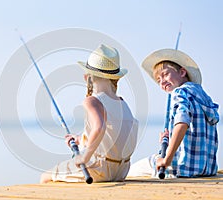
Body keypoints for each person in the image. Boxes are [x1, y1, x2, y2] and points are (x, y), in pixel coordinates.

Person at [40, 44, 138, 183]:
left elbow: (100, 127)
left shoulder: (92, 101)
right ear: (115, 78)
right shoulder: (123, 103)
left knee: (46, 177)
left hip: (99, 169)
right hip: (121, 171)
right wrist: (81, 140)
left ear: (88, 77)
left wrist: (84, 157)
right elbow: (112, 135)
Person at [129, 48, 219, 178]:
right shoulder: (205, 98)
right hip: (206, 169)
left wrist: (167, 160)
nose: (162, 81)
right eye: (158, 80)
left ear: (182, 72)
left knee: (131, 171)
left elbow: (182, 123)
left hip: (181, 168)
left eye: (165, 74)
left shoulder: (179, 93)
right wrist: (168, 138)